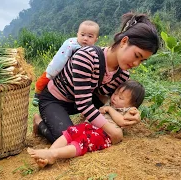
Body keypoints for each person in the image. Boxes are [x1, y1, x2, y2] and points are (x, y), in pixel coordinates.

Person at [33, 12, 159, 144]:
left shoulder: (122, 75)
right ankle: (39, 121)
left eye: (142, 61)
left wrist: (131, 112)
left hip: (76, 102)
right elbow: (84, 103)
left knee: (96, 114)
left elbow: (112, 102)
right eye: (136, 55)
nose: (136, 64)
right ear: (124, 41)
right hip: (55, 99)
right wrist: (111, 130)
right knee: (69, 140)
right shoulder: (87, 56)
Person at [28, 80, 145, 167]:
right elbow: (99, 95)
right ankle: (50, 153)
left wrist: (110, 110)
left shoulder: (127, 110)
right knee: (69, 133)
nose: (115, 98)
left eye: (121, 97)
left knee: (82, 142)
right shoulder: (109, 101)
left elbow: (122, 121)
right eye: (115, 93)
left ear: (131, 104)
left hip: (102, 134)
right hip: (88, 126)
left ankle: (55, 154)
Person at [32, 20, 100, 106]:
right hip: (59, 67)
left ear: (96, 39)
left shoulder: (94, 52)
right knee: (45, 78)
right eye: (82, 35)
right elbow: (60, 58)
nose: (85, 38)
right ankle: (37, 94)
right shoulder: (71, 45)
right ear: (77, 34)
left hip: (74, 76)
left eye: (90, 36)